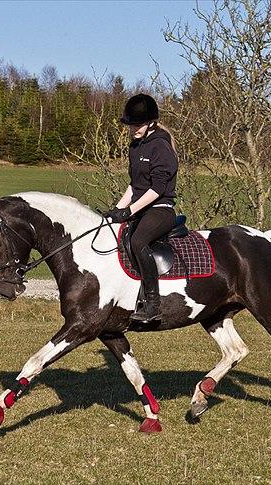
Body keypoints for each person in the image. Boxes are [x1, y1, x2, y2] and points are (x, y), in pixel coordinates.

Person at [104, 93, 178, 323]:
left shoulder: (161, 146)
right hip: (141, 207)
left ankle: (153, 304)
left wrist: (130, 210)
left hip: (161, 209)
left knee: (137, 242)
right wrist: (115, 210)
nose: (133, 128)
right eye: (131, 124)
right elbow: (134, 185)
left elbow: (157, 189)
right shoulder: (136, 146)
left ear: (151, 123)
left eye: (138, 124)